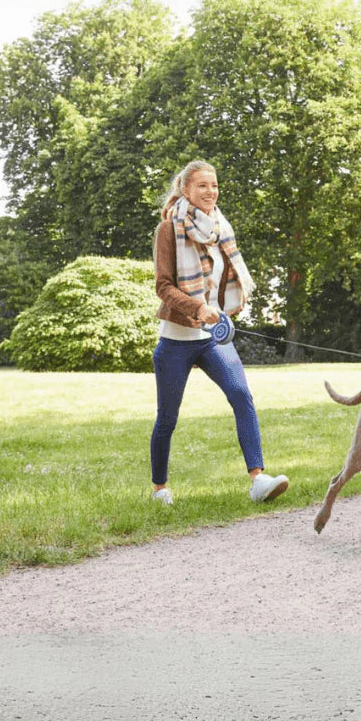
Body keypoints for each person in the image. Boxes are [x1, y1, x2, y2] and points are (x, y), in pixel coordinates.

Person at [149, 159, 289, 506]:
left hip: (212, 336)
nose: (210, 191)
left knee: (241, 395)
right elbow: (163, 286)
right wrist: (197, 308)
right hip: (177, 338)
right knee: (167, 418)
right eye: (202, 185)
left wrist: (222, 309)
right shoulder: (168, 229)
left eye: (214, 185)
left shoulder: (220, 228)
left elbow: (225, 279)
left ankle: (258, 480)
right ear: (185, 190)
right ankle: (159, 489)